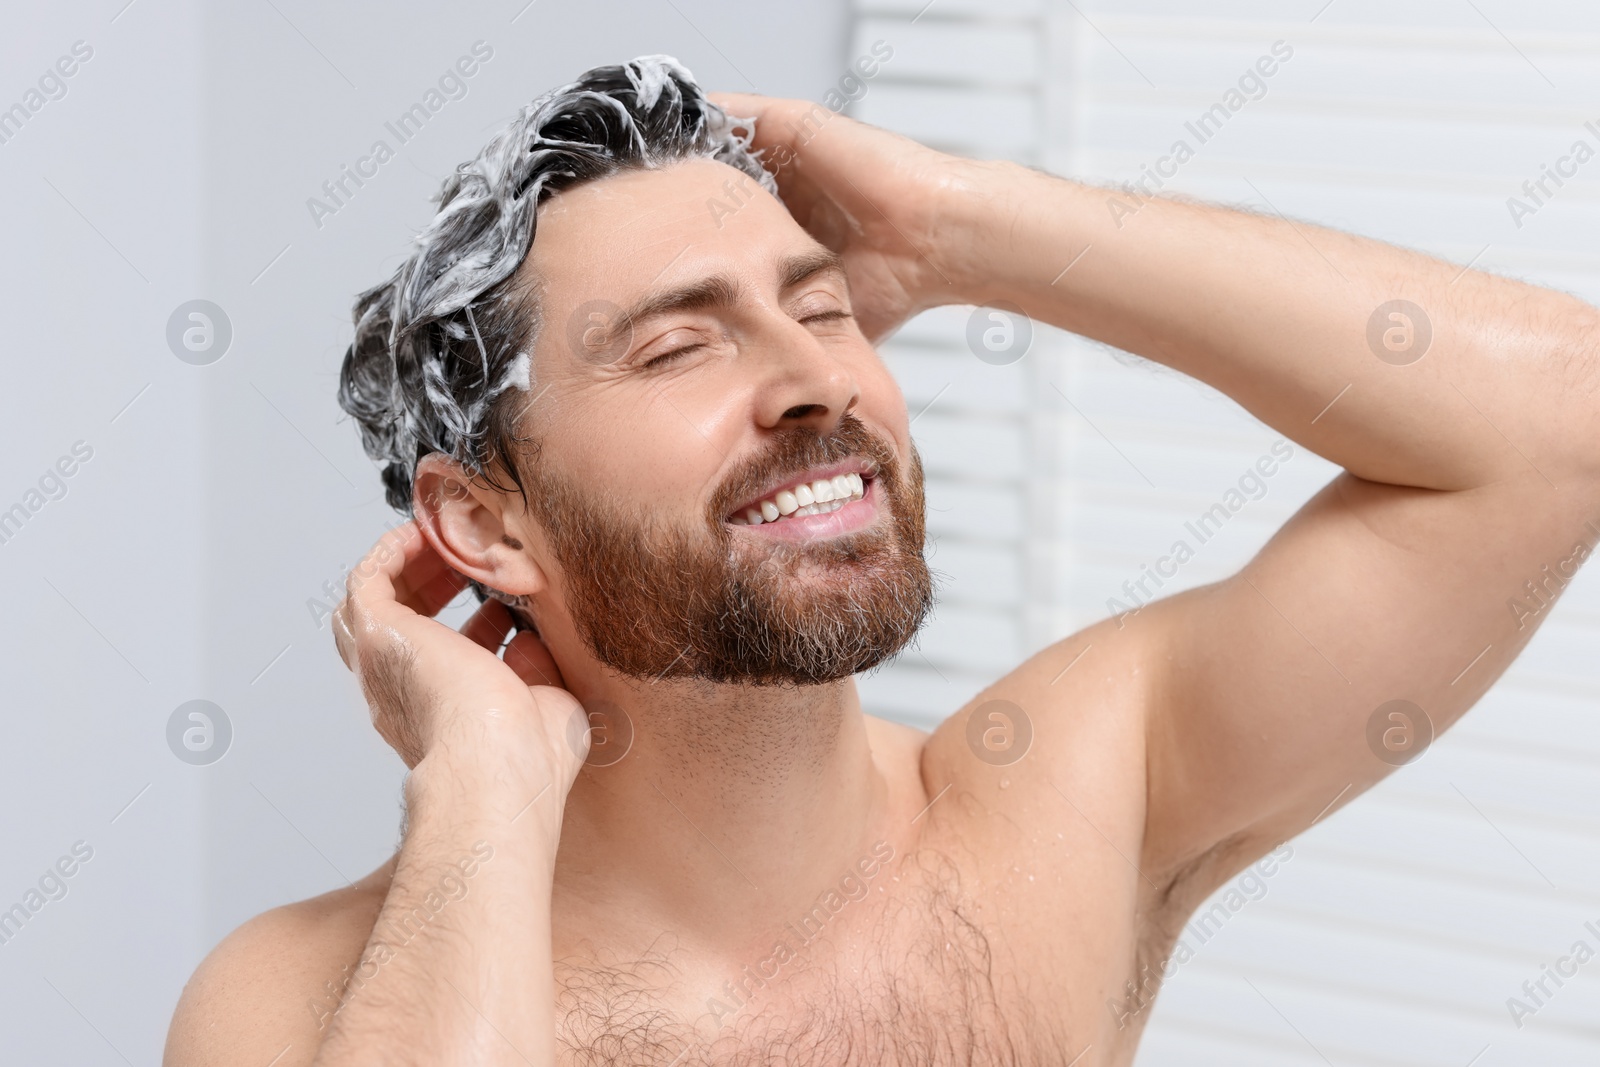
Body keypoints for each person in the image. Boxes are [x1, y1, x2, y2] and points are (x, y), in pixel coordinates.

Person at [163, 54, 1600, 1066]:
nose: (816, 383)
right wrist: (479, 777)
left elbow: (1559, 430)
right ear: (486, 524)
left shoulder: (1062, 818)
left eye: (826, 310)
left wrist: (957, 227)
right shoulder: (293, 1004)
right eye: (677, 343)